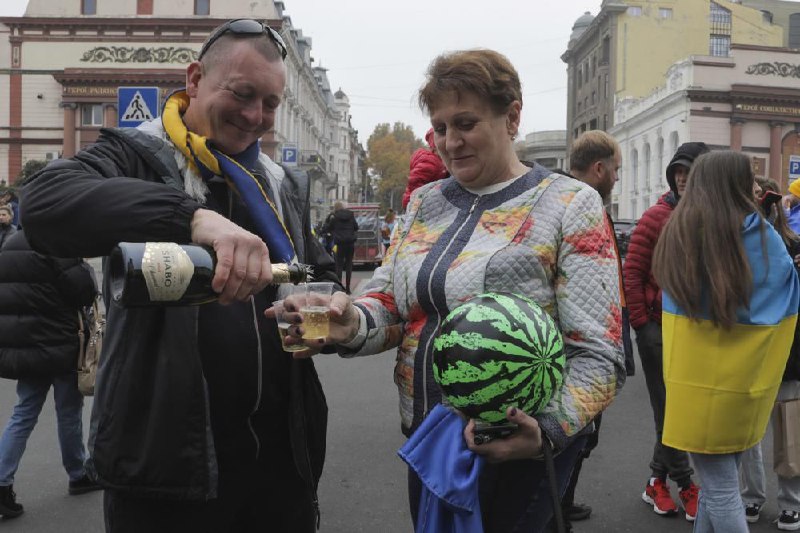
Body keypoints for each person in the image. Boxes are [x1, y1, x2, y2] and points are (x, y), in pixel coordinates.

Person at [282, 49, 625, 532]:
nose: (450, 141)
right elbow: (388, 304)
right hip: (429, 439)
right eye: (440, 127)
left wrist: (547, 431)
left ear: (512, 116)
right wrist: (341, 322)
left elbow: (599, 352)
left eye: (465, 123)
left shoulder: (570, 204)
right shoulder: (425, 202)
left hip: (514, 451)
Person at [20, 18, 337, 532]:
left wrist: (336, 309)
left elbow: (318, 271)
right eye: (242, 93)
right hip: (168, 470)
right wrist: (189, 216)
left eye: (271, 104)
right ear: (194, 80)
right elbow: (44, 205)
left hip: (280, 466)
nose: (255, 115)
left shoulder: (278, 182)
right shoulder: (137, 155)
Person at [653, 151, 800, 532]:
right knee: (721, 489)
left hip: (693, 387)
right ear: (731, 184)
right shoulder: (759, 234)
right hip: (743, 385)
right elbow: (786, 288)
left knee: (717, 489)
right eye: (749, 179)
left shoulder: (680, 232)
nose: (756, 187)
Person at [545, 130, 634, 532]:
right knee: (576, 427)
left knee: (577, 430)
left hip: (575, 342)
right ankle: (557, 505)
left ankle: (561, 500)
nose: (617, 177)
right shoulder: (581, 205)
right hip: (580, 348)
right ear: (599, 169)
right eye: (615, 169)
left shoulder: (554, 198)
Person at [623, 141, 708, 521]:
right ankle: (686, 483)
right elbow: (632, 272)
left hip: (693, 331)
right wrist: (642, 324)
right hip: (657, 328)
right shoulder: (656, 216)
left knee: (676, 410)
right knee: (670, 410)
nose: (682, 179)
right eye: (678, 173)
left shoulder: (708, 217)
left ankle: (655, 482)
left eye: (690, 173)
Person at [0, 230, 101, 518]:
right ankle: (78, 473)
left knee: (23, 412)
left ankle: (1, 481)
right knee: (68, 411)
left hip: (25, 344)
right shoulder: (57, 242)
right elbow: (84, 289)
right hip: (60, 342)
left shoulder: (10, 243)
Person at [740, 177, 800, 530]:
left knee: (789, 430)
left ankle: (791, 502)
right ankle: (751, 497)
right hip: (752, 352)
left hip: (790, 353)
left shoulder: (793, 244)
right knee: (747, 432)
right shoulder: (742, 247)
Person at [401, 127, 448, 210]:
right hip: (415, 202)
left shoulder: (438, 161)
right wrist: (419, 199)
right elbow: (415, 181)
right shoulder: (430, 161)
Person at [325, 201, 359, 294]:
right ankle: (348, 289)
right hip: (350, 243)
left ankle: (339, 288)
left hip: (340, 243)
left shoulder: (335, 217)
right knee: (349, 265)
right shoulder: (351, 215)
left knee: (339, 266)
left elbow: (327, 228)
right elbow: (356, 227)